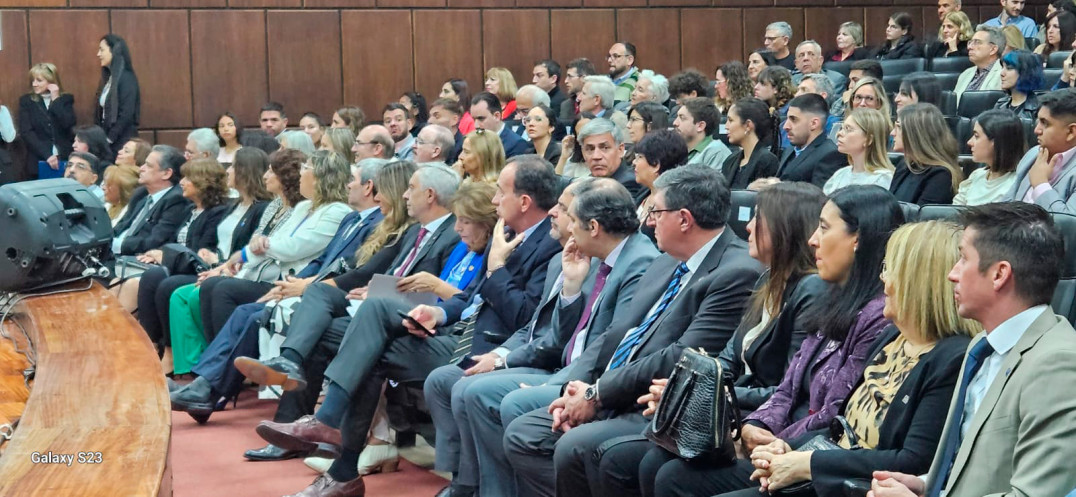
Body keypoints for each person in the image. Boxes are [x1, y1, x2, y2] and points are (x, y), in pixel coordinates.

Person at [243, 156, 561, 497]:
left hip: (487, 348)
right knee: (366, 332)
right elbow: (469, 298)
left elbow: (526, 317)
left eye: (500, 192)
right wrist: (436, 314)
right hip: (455, 331)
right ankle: (340, 459)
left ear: (524, 201)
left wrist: (497, 269)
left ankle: (336, 444)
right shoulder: (508, 231)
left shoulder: (547, 244)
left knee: (370, 332)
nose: (495, 200)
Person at [502, 165, 765, 497]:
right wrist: (585, 387)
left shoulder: (736, 272)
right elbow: (620, 331)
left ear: (684, 219)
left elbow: (681, 356)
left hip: (654, 401)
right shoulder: (667, 258)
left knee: (574, 446)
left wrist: (598, 395)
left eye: (655, 211)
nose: (648, 220)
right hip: (614, 387)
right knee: (523, 432)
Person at [638, 185, 900, 497]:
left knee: (673, 476)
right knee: (658, 461)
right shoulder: (828, 295)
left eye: (825, 228)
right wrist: (755, 426)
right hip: (776, 435)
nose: (813, 239)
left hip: (810, 452)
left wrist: (772, 442)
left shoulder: (874, 314)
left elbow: (835, 410)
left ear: (857, 239)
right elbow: (787, 388)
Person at [594, 182, 828, 497]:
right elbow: (728, 359)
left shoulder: (810, 291)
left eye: (759, 219)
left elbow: (789, 390)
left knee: (661, 472)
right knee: (639, 461)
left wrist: (710, 394)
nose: (747, 225)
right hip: (731, 412)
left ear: (786, 228)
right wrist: (684, 389)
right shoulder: (766, 279)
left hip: (765, 423)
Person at [429, 178, 658, 497]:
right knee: (465, 385)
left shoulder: (639, 262)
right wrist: (572, 288)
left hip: (591, 380)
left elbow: (609, 344)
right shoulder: (585, 258)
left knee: (495, 397)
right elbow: (561, 333)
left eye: (566, 212)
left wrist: (555, 384)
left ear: (592, 226)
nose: (554, 213)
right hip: (565, 367)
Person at [736, 221, 980, 497]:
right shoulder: (890, 338)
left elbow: (913, 461)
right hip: (824, 474)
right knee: (681, 476)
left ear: (917, 282)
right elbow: (839, 425)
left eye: (889, 269)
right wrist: (788, 447)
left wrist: (808, 463)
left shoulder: (951, 358)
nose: (883, 280)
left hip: (855, 486)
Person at [169, 158, 399, 429]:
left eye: (354, 180)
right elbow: (322, 260)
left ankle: (211, 390)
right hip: (315, 287)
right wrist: (291, 284)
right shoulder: (352, 217)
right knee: (246, 311)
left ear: (368, 187)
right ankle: (206, 388)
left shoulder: (375, 221)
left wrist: (305, 285)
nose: (349, 185)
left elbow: (357, 272)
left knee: (254, 313)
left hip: (339, 296)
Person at [871, 202, 1076, 497]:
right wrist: (926, 485)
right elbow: (975, 466)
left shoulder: (1058, 365)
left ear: (999, 274)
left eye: (963, 259)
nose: (952, 274)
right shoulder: (981, 346)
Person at [166, 150, 352, 371]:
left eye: (306, 169)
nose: (301, 174)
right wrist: (245, 255)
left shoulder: (338, 211)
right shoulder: (303, 207)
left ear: (322, 176)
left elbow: (291, 248)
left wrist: (261, 246)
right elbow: (270, 242)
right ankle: (215, 367)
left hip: (291, 283)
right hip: (273, 276)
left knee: (222, 289)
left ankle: (226, 369)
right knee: (212, 286)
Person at [134, 150, 272, 369]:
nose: (229, 170)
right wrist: (214, 255)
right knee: (158, 280)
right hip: (218, 265)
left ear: (246, 172)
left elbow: (245, 248)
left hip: (235, 271)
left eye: (234, 166)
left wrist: (218, 260)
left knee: (171, 285)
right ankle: (167, 352)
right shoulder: (235, 206)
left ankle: (214, 362)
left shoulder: (258, 208)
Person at [128, 159, 232, 370]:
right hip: (180, 266)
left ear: (203, 182)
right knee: (152, 276)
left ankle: (170, 350)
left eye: (188, 178)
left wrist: (165, 255)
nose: (182, 182)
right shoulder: (189, 209)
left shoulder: (217, 212)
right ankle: (151, 343)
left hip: (202, 270)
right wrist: (161, 254)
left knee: (167, 284)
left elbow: (200, 253)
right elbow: (174, 243)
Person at [112, 145, 193, 256]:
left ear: (166, 173)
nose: (141, 168)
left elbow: (155, 241)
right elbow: (121, 226)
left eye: (148, 166)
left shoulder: (177, 200)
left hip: (137, 259)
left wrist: (116, 245)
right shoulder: (141, 194)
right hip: (114, 253)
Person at [1004, 88, 1076, 212]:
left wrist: (1041, 185)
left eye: (1045, 123)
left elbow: (1069, 225)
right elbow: (1007, 203)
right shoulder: (1034, 153)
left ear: (1071, 132)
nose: (1036, 130)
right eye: (1038, 121)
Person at [890, 104, 960, 205]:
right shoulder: (905, 165)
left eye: (899, 127)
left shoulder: (940, 176)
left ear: (916, 134)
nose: (892, 133)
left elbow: (923, 218)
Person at [18, 62, 75, 179]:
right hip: (39, 159)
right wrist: (47, 155)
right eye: (32, 80)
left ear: (51, 81)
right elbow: (26, 132)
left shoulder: (65, 99)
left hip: (64, 157)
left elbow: (68, 123)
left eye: (39, 80)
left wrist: (55, 99)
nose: (34, 84)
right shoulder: (27, 102)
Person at [956, 109, 1023, 205]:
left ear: (997, 142)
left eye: (976, 136)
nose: (969, 142)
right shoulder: (976, 175)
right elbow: (952, 213)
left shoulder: (1016, 185)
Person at [779, 93, 847, 187]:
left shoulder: (830, 155)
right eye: (787, 119)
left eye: (793, 120)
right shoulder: (790, 148)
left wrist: (777, 188)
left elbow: (818, 198)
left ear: (814, 123)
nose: (786, 126)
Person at [825, 108, 895, 195]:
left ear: (868, 139)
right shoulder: (840, 174)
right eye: (841, 128)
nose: (838, 134)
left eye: (848, 129)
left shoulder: (882, 179)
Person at [579, 118, 647, 201]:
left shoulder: (628, 183)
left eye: (605, 148)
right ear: (582, 152)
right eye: (590, 149)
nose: (596, 156)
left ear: (620, 150)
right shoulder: (588, 181)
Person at [95, 34, 140, 157]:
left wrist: (110, 138)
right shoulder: (108, 79)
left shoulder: (126, 78)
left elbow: (126, 113)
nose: (98, 54)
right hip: (109, 140)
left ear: (114, 51)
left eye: (102, 50)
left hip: (122, 141)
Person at [633, 129, 688, 225]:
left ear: (656, 164)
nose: (634, 162)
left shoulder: (672, 206)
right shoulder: (643, 193)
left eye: (640, 157)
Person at [722, 98, 779, 189]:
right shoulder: (730, 160)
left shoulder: (766, 160)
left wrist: (747, 193)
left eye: (731, 120)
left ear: (748, 125)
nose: (726, 126)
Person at [674, 97, 732, 170]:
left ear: (700, 126)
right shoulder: (677, 150)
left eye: (682, 118)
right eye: (677, 117)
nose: (675, 123)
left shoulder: (716, 153)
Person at [470, 92, 533, 158]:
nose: (476, 125)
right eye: (474, 119)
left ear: (497, 116)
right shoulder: (473, 140)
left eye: (481, 119)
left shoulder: (516, 145)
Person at [955, 26, 1006, 100]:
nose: (969, 47)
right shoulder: (965, 74)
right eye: (970, 42)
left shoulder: (1003, 75)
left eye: (977, 42)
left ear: (993, 49)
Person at [995, 50, 1045, 120]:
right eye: (1002, 67)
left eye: (1009, 68)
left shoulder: (1039, 108)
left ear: (1025, 72)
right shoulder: (1000, 104)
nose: (1002, 73)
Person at [754, 66, 796, 147]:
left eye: (762, 84)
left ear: (776, 88)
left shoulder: (790, 111)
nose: (756, 87)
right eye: (757, 83)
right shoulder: (763, 108)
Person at [555, 113, 596, 179]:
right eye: (581, 134)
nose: (585, 137)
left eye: (589, 132)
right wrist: (564, 157)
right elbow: (556, 183)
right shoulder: (573, 162)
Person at [560, 58, 597, 122]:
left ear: (584, 78)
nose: (565, 81)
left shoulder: (596, 102)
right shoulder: (565, 105)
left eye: (570, 76)